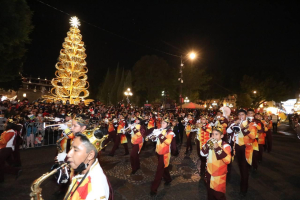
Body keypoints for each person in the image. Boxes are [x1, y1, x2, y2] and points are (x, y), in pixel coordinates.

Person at [64, 131, 112, 200]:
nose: (68, 154)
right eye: (71, 148)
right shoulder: (83, 169)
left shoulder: (96, 191)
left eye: (75, 150)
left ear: (90, 155)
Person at [227, 109, 256, 197]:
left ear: (246, 115)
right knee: (239, 166)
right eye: (239, 115)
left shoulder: (251, 124)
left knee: (244, 169)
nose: (241, 116)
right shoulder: (236, 122)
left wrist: (243, 128)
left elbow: (253, 136)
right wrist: (234, 125)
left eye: (242, 114)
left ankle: (243, 189)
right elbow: (228, 131)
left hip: (245, 148)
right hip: (236, 147)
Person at [201, 125, 231, 200]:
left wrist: (217, 147)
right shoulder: (209, 143)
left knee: (218, 195)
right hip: (209, 172)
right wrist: (207, 144)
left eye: (216, 134)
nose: (214, 136)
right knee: (210, 193)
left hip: (219, 175)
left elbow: (228, 160)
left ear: (222, 136)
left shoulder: (225, 146)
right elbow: (202, 154)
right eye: (212, 134)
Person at [150, 118, 174, 195]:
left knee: (159, 170)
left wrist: (159, 135)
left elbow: (168, 142)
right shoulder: (160, 130)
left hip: (164, 153)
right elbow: (156, 140)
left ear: (167, 124)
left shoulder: (170, 132)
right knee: (164, 167)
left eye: (164, 123)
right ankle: (168, 179)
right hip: (158, 151)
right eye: (162, 123)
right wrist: (153, 137)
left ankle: (154, 188)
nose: (162, 124)